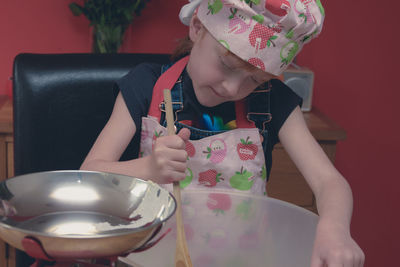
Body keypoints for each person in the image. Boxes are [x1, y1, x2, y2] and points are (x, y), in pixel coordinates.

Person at [81, 0, 365, 266]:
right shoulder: (145, 86)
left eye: (254, 79)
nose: (232, 89)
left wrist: (335, 229)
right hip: (152, 258)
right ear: (197, 27)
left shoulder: (272, 100)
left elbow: (329, 182)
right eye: (226, 65)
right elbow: (90, 176)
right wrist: (149, 168)